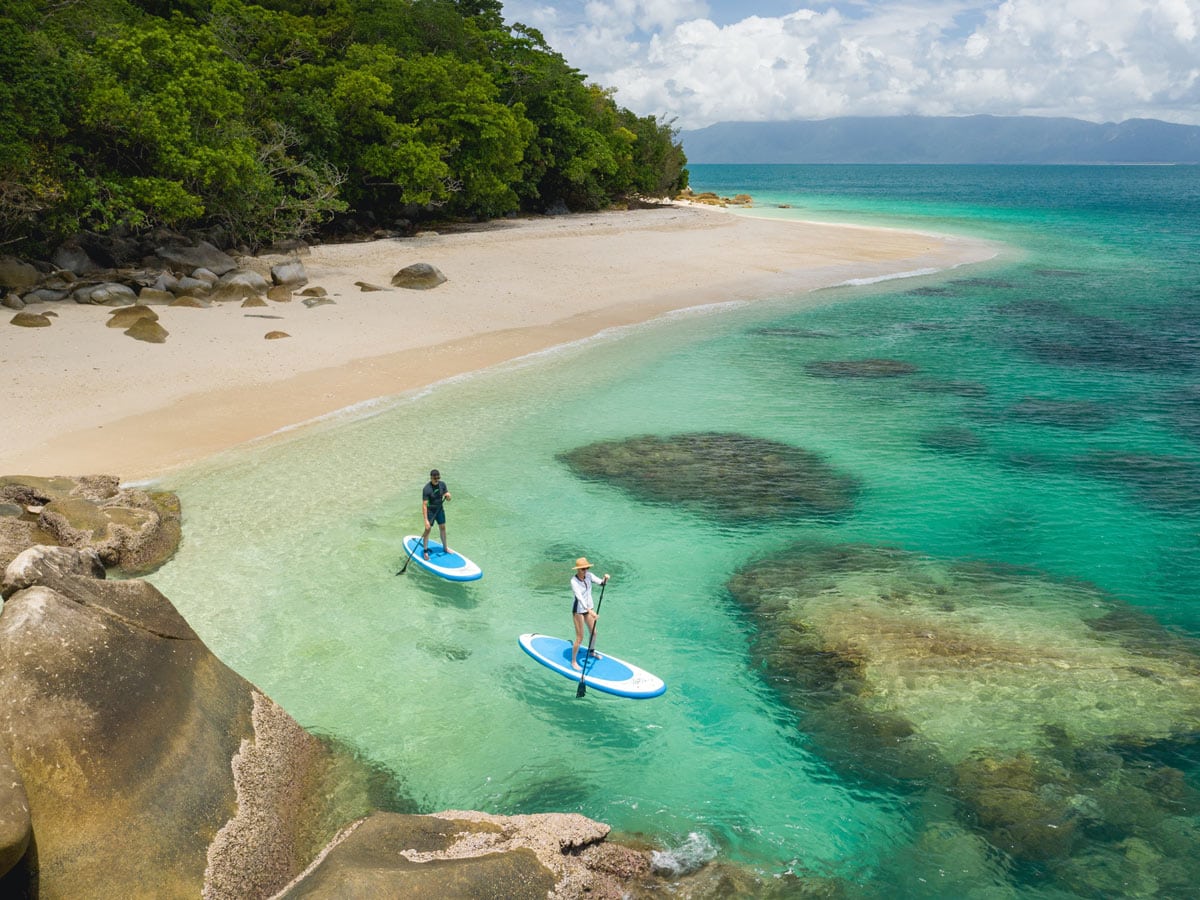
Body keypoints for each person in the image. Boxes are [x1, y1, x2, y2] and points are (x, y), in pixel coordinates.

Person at [570, 557, 609, 670]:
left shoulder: (589, 576)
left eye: (586, 568)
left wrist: (605, 579)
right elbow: (579, 597)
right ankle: (573, 661)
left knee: (594, 633)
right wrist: (590, 611)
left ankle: (591, 652)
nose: (585, 570)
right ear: (578, 569)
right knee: (580, 637)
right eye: (583, 569)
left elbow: (601, 583)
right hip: (579, 610)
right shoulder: (574, 581)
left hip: (588, 609)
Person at [421, 469, 451, 559]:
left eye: (438, 477)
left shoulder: (442, 485)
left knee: (442, 527)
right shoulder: (427, 489)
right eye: (435, 478)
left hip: (440, 509)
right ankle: (425, 551)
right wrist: (426, 520)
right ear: (431, 478)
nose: (437, 479)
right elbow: (424, 505)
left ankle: (445, 548)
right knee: (428, 529)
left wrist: (448, 496)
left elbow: (448, 498)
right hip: (430, 511)